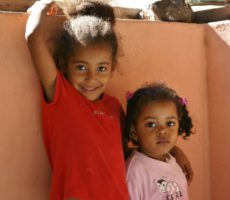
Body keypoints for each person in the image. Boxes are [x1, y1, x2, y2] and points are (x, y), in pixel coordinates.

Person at [25, 0, 193, 199]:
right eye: (81, 67)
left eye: (101, 68)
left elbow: (132, 149)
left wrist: (173, 150)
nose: (91, 78)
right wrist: (42, 5)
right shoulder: (62, 98)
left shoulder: (113, 107)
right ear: (64, 65)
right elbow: (34, 39)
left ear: (112, 67)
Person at [124, 83, 193, 200]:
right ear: (134, 130)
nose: (163, 131)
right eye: (151, 124)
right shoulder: (135, 173)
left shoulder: (173, 162)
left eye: (170, 123)